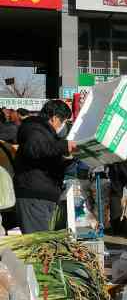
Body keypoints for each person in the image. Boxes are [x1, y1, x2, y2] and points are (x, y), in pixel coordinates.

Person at [13, 100, 76, 234]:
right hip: (34, 195)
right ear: (54, 118)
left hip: (44, 193)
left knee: (43, 242)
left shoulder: (46, 133)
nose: (63, 125)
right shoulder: (34, 128)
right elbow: (36, 148)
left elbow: (47, 157)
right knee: (38, 243)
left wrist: (67, 159)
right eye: (63, 121)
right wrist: (63, 146)